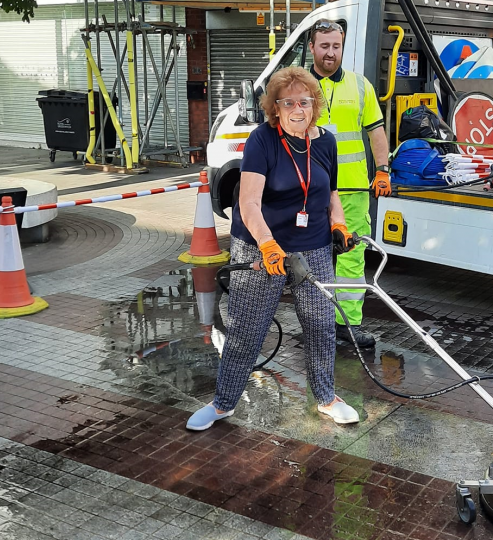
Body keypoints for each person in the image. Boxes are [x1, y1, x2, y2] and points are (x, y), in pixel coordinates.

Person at [186, 67, 360, 431]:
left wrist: (338, 224)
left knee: (321, 326)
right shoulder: (262, 141)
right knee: (246, 330)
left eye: (305, 101)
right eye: (288, 102)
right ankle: (223, 403)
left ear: (315, 105)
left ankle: (326, 397)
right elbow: (248, 203)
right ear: (275, 108)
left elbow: (331, 194)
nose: (298, 108)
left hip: (312, 248)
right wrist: (267, 245)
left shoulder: (326, 142)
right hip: (260, 247)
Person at [309, 19, 391, 349]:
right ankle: (315, 320)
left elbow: (376, 132)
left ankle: (347, 324)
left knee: (351, 259)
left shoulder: (360, 86)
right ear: (312, 47)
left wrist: (382, 170)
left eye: (336, 46)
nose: (331, 53)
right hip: (310, 191)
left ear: (343, 46)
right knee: (310, 258)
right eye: (324, 46)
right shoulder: (300, 87)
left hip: (353, 190)